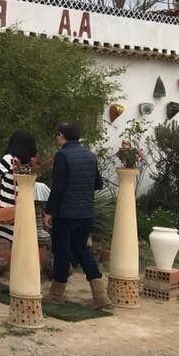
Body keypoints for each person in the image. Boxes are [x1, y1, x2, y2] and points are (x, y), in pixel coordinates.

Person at [43, 122, 111, 308]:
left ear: (62, 135)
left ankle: (56, 294)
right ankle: (100, 296)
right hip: (86, 213)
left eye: (58, 135)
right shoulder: (90, 156)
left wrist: (48, 212)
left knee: (61, 251)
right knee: (82, 250)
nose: (57, 138)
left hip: (65, 213)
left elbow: (58, 188)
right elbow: (98, 184)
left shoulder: (62, 156)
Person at [0, 129, 37, 289]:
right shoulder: (31, 163)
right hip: (21, 211)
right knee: (18, 246)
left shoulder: (9, 159)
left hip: (3, 209)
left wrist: (1, 183)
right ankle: (19, 281)